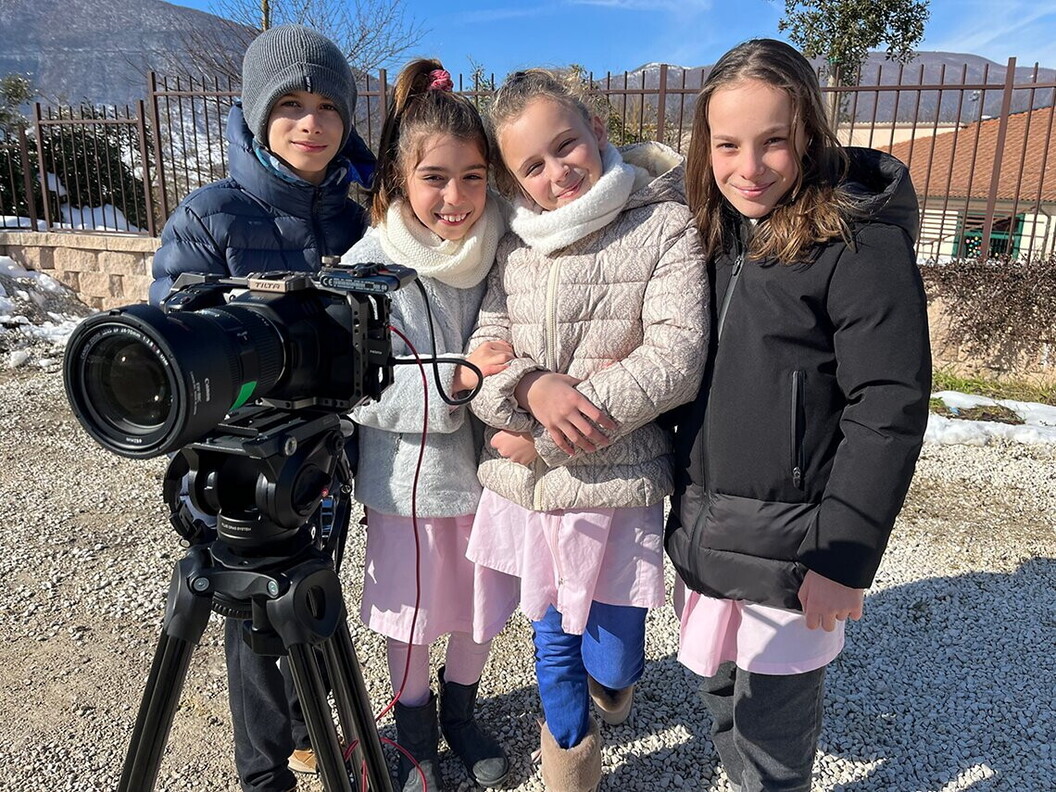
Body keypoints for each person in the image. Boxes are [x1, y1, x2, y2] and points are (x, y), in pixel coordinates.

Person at [665, 38, 932, 792]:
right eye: (728, 144)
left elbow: (888, 407)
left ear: (809, 133)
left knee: (774, 732)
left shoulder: (858, 245)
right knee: (721, 693)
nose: (749, 167)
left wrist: (842, 559)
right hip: (706, 526)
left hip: (794, 543)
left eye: (773, 141)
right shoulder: (707, 232)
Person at [465, 69, 708, 792]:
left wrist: (544, 437)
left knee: (612, 647)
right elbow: (483, 355)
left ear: (597, 131)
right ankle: (570, 763)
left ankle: (618, 683)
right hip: (536, 494)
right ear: (513, 181)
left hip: (616, 485)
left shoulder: (662, 224)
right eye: (531, 166)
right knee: (550, 636)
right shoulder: (513, 246)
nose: (556, 173)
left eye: (565, 146)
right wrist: (527, 386)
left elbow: (675, 359)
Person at [148, 25, 375, 792]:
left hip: (326, 455)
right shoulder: (210, 215)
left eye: (327, 106)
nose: (311, 122)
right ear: (255, 112)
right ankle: (264, 771)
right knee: (252, 623)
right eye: (289, 105)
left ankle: (313, 734)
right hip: (240, 461)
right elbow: (171, 338)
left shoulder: (354, 219)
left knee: (315, 590)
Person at [341, 59, 518, 792]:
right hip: (407, 484)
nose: (456, 197)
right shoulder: (368, 265)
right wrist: (458, 381)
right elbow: (357, 386)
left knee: (481, 602)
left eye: (473, 177)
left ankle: (461, 713)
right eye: (435, 178)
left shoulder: (505, 246)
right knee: (410, 611)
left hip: (494, 472)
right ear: (399, 178)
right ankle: (412, 730)